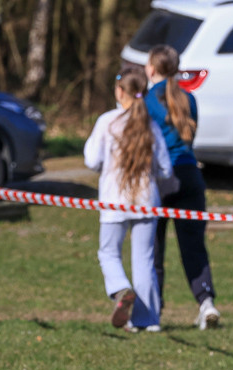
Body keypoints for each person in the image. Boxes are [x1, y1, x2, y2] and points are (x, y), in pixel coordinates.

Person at [84, 67, 173, 332]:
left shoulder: (108, 122)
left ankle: (121, 288)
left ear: (120, 91)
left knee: (108, 252)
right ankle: (147, 321)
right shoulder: (151, 125)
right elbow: (165, 169)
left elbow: (91, 160)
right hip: (146, 200)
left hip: (114, 200)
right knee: (144, 260)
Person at [145, 44, 221, 330]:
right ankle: (206, 302)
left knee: (153, 247)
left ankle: (153, 311)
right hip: (190, 176)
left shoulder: (147, 100)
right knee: (193, 246)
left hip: (160, 178)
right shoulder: (189, 98)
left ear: (152, 68)